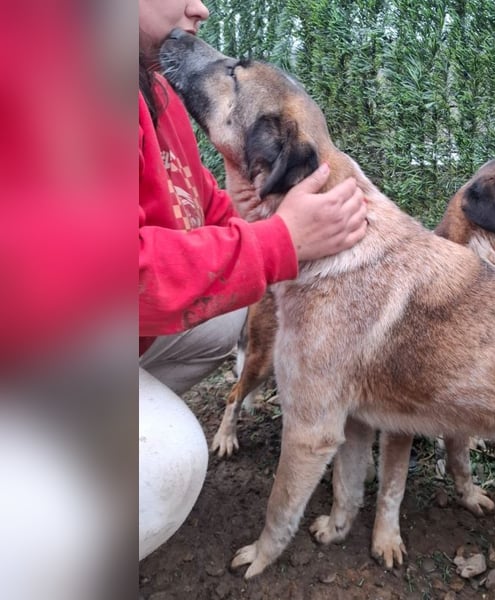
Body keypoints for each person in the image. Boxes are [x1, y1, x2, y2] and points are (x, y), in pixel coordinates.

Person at [138, 0, 368, 560]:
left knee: (228, 318)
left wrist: (252, 216)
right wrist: (278, 241)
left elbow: (197, 207)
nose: (201, 8)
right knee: (172, 460)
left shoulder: (151, 88)